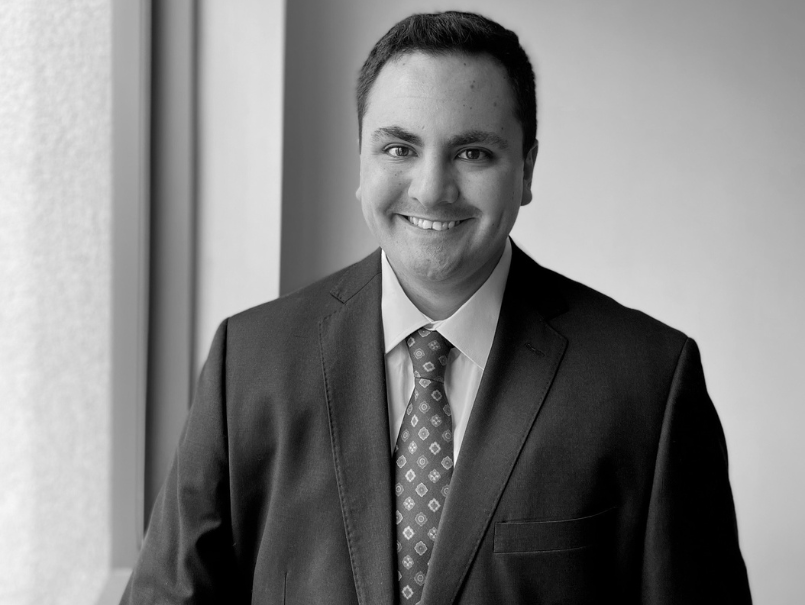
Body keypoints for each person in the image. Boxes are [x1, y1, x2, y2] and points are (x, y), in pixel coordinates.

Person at [122, 11, 751, 604]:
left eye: (473, 153)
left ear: (527, 170)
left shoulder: (647, 383)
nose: (431, 189)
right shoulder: (249, 361)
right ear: (361, 159)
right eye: (399, 148)